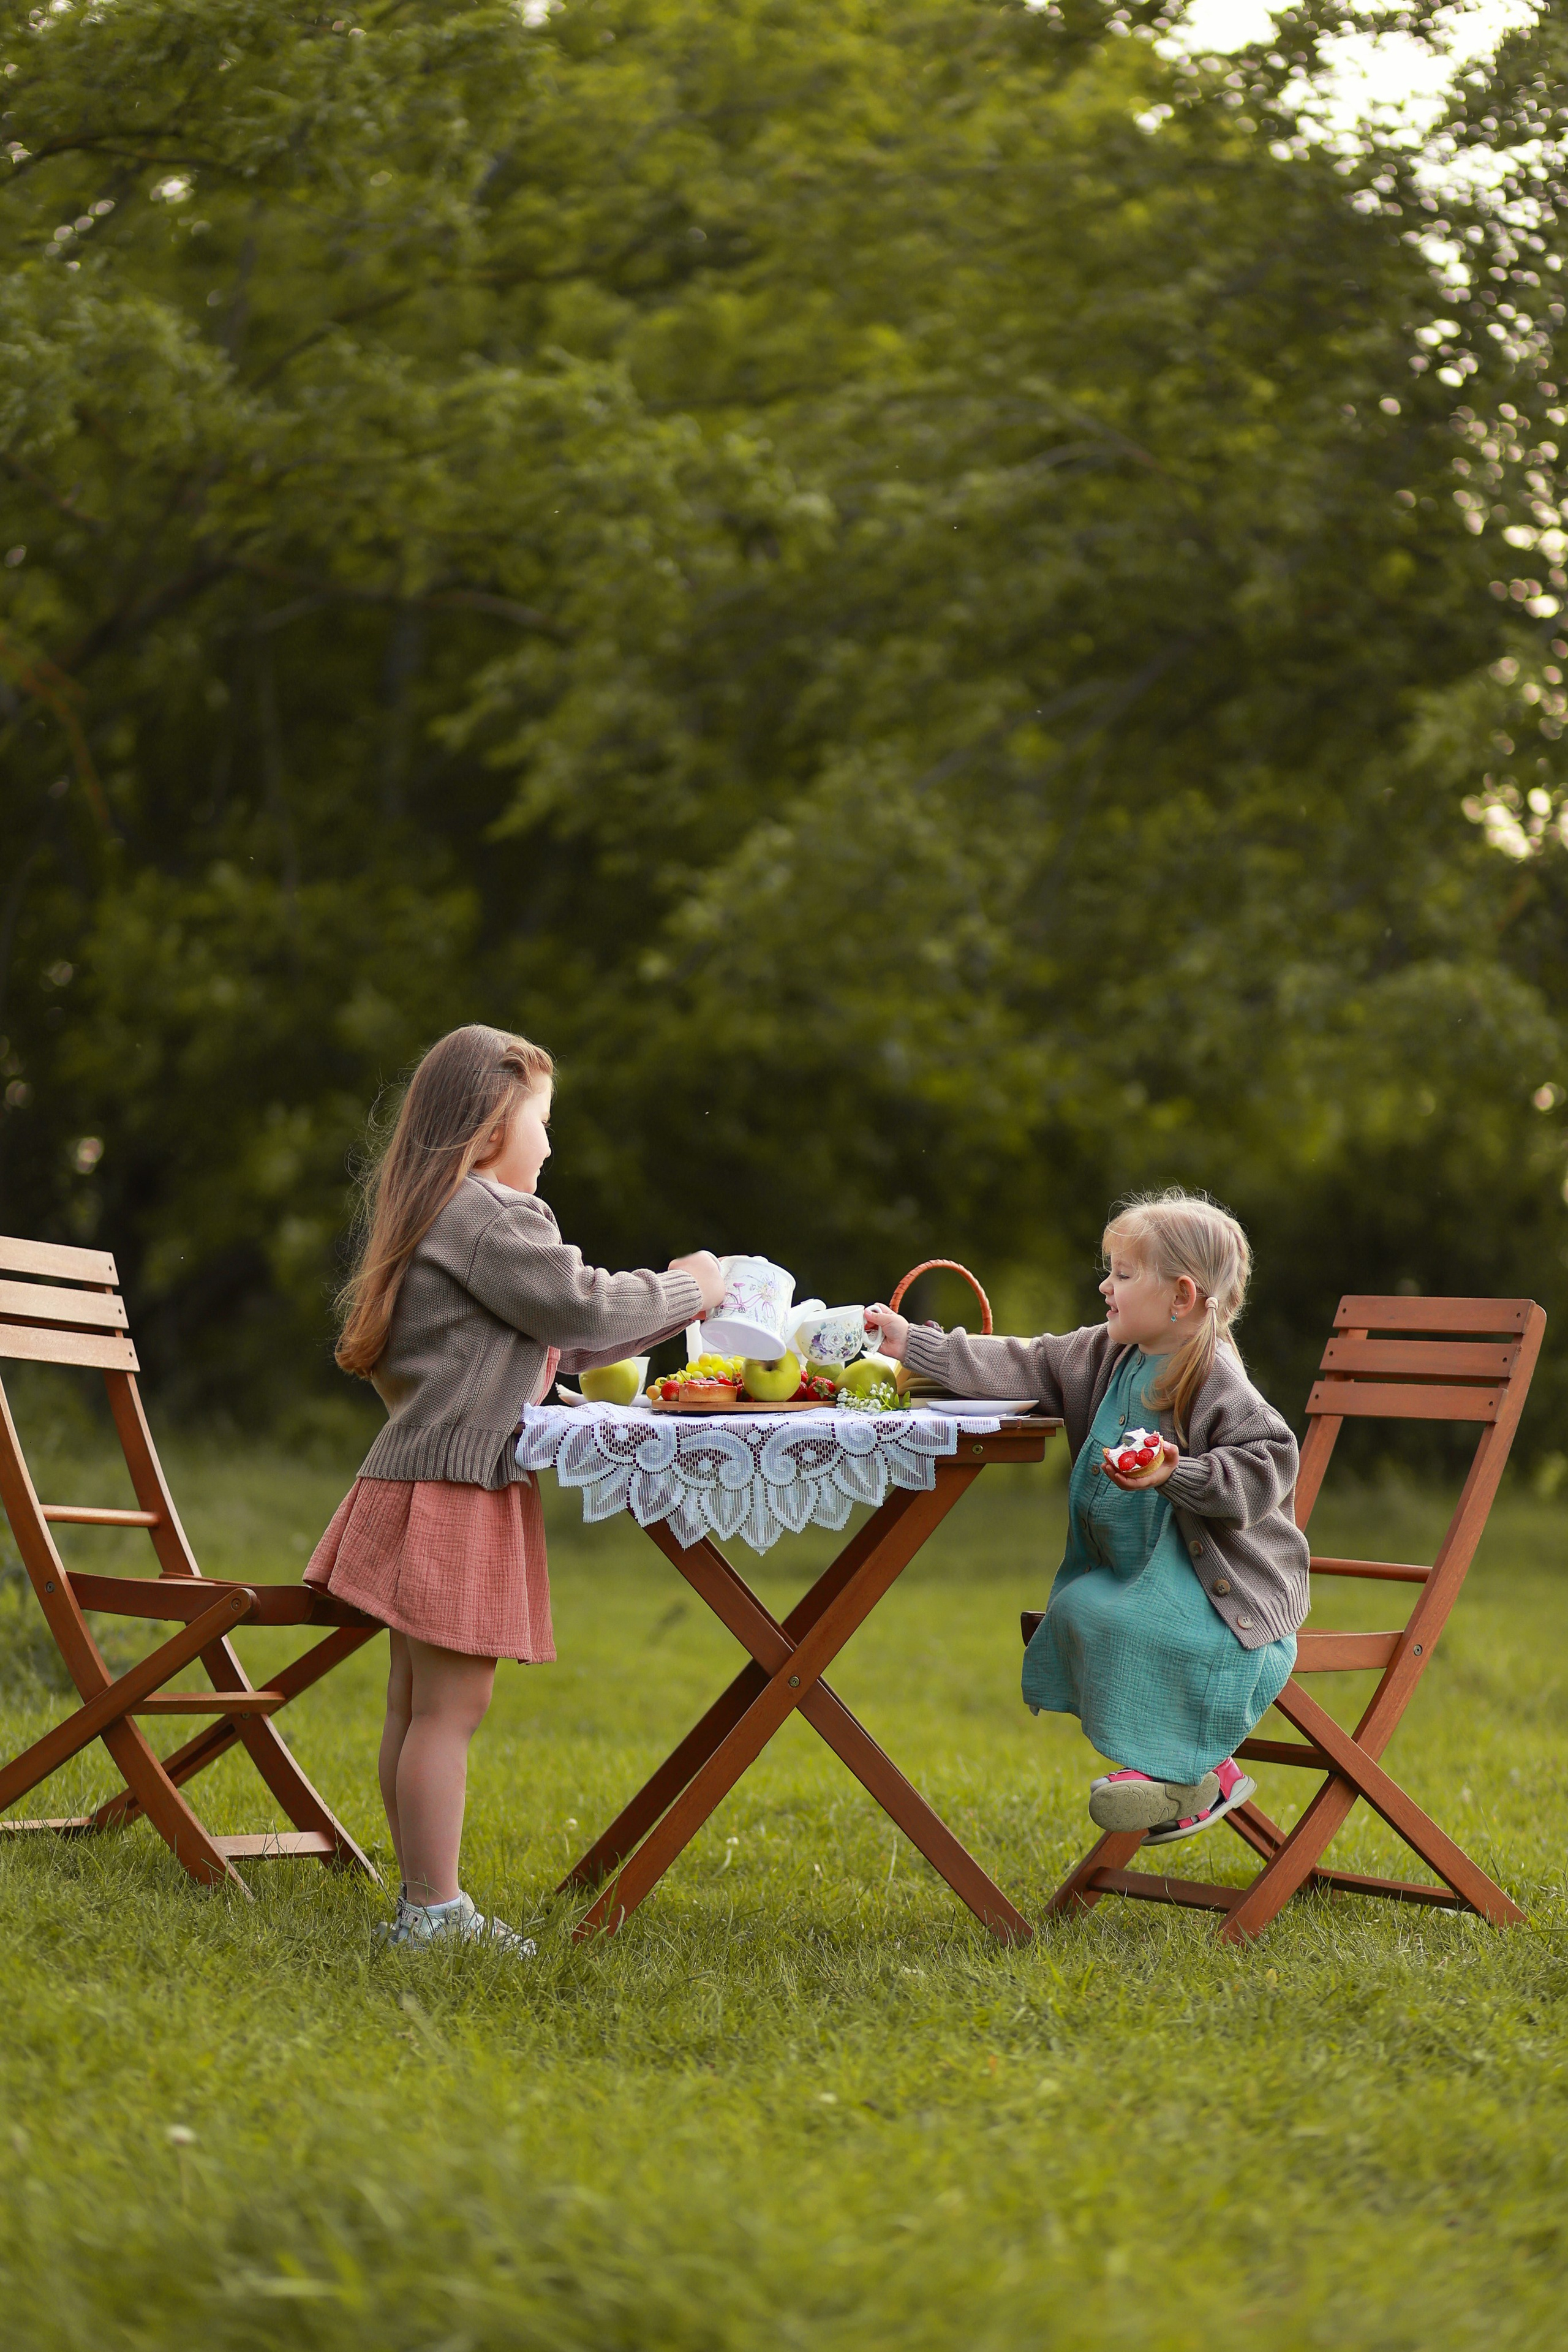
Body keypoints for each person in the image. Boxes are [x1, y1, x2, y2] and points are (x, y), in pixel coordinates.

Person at [309, 1023, 725, 1948]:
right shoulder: (494, 1216)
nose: (549, 1145)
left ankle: (422, 1901)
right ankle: (432, 1912)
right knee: (451, 1709)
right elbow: (579, 1304)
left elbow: (562, 1337)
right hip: (457, 1490)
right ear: (492, 1123)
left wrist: (663, 1311)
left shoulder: (440, 1213)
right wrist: (690, 1288)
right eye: (542, 1121)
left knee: (416, 1706)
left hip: (415, 1477)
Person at [864, 1189, 1308, 1844]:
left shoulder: (1213, 1377)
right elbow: (1022, 1361)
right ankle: (1191, 1774)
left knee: (1136, 1623)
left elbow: (1267, 1463)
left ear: (1181, 1296)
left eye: (1123, 1275)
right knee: (1080, 1607)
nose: (1105, 1286)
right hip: (1138, 1573)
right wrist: (914, 1345)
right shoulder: (1105, 1354)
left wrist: (1177, 1473)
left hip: (1219, 1591)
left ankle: (1186, 1772)